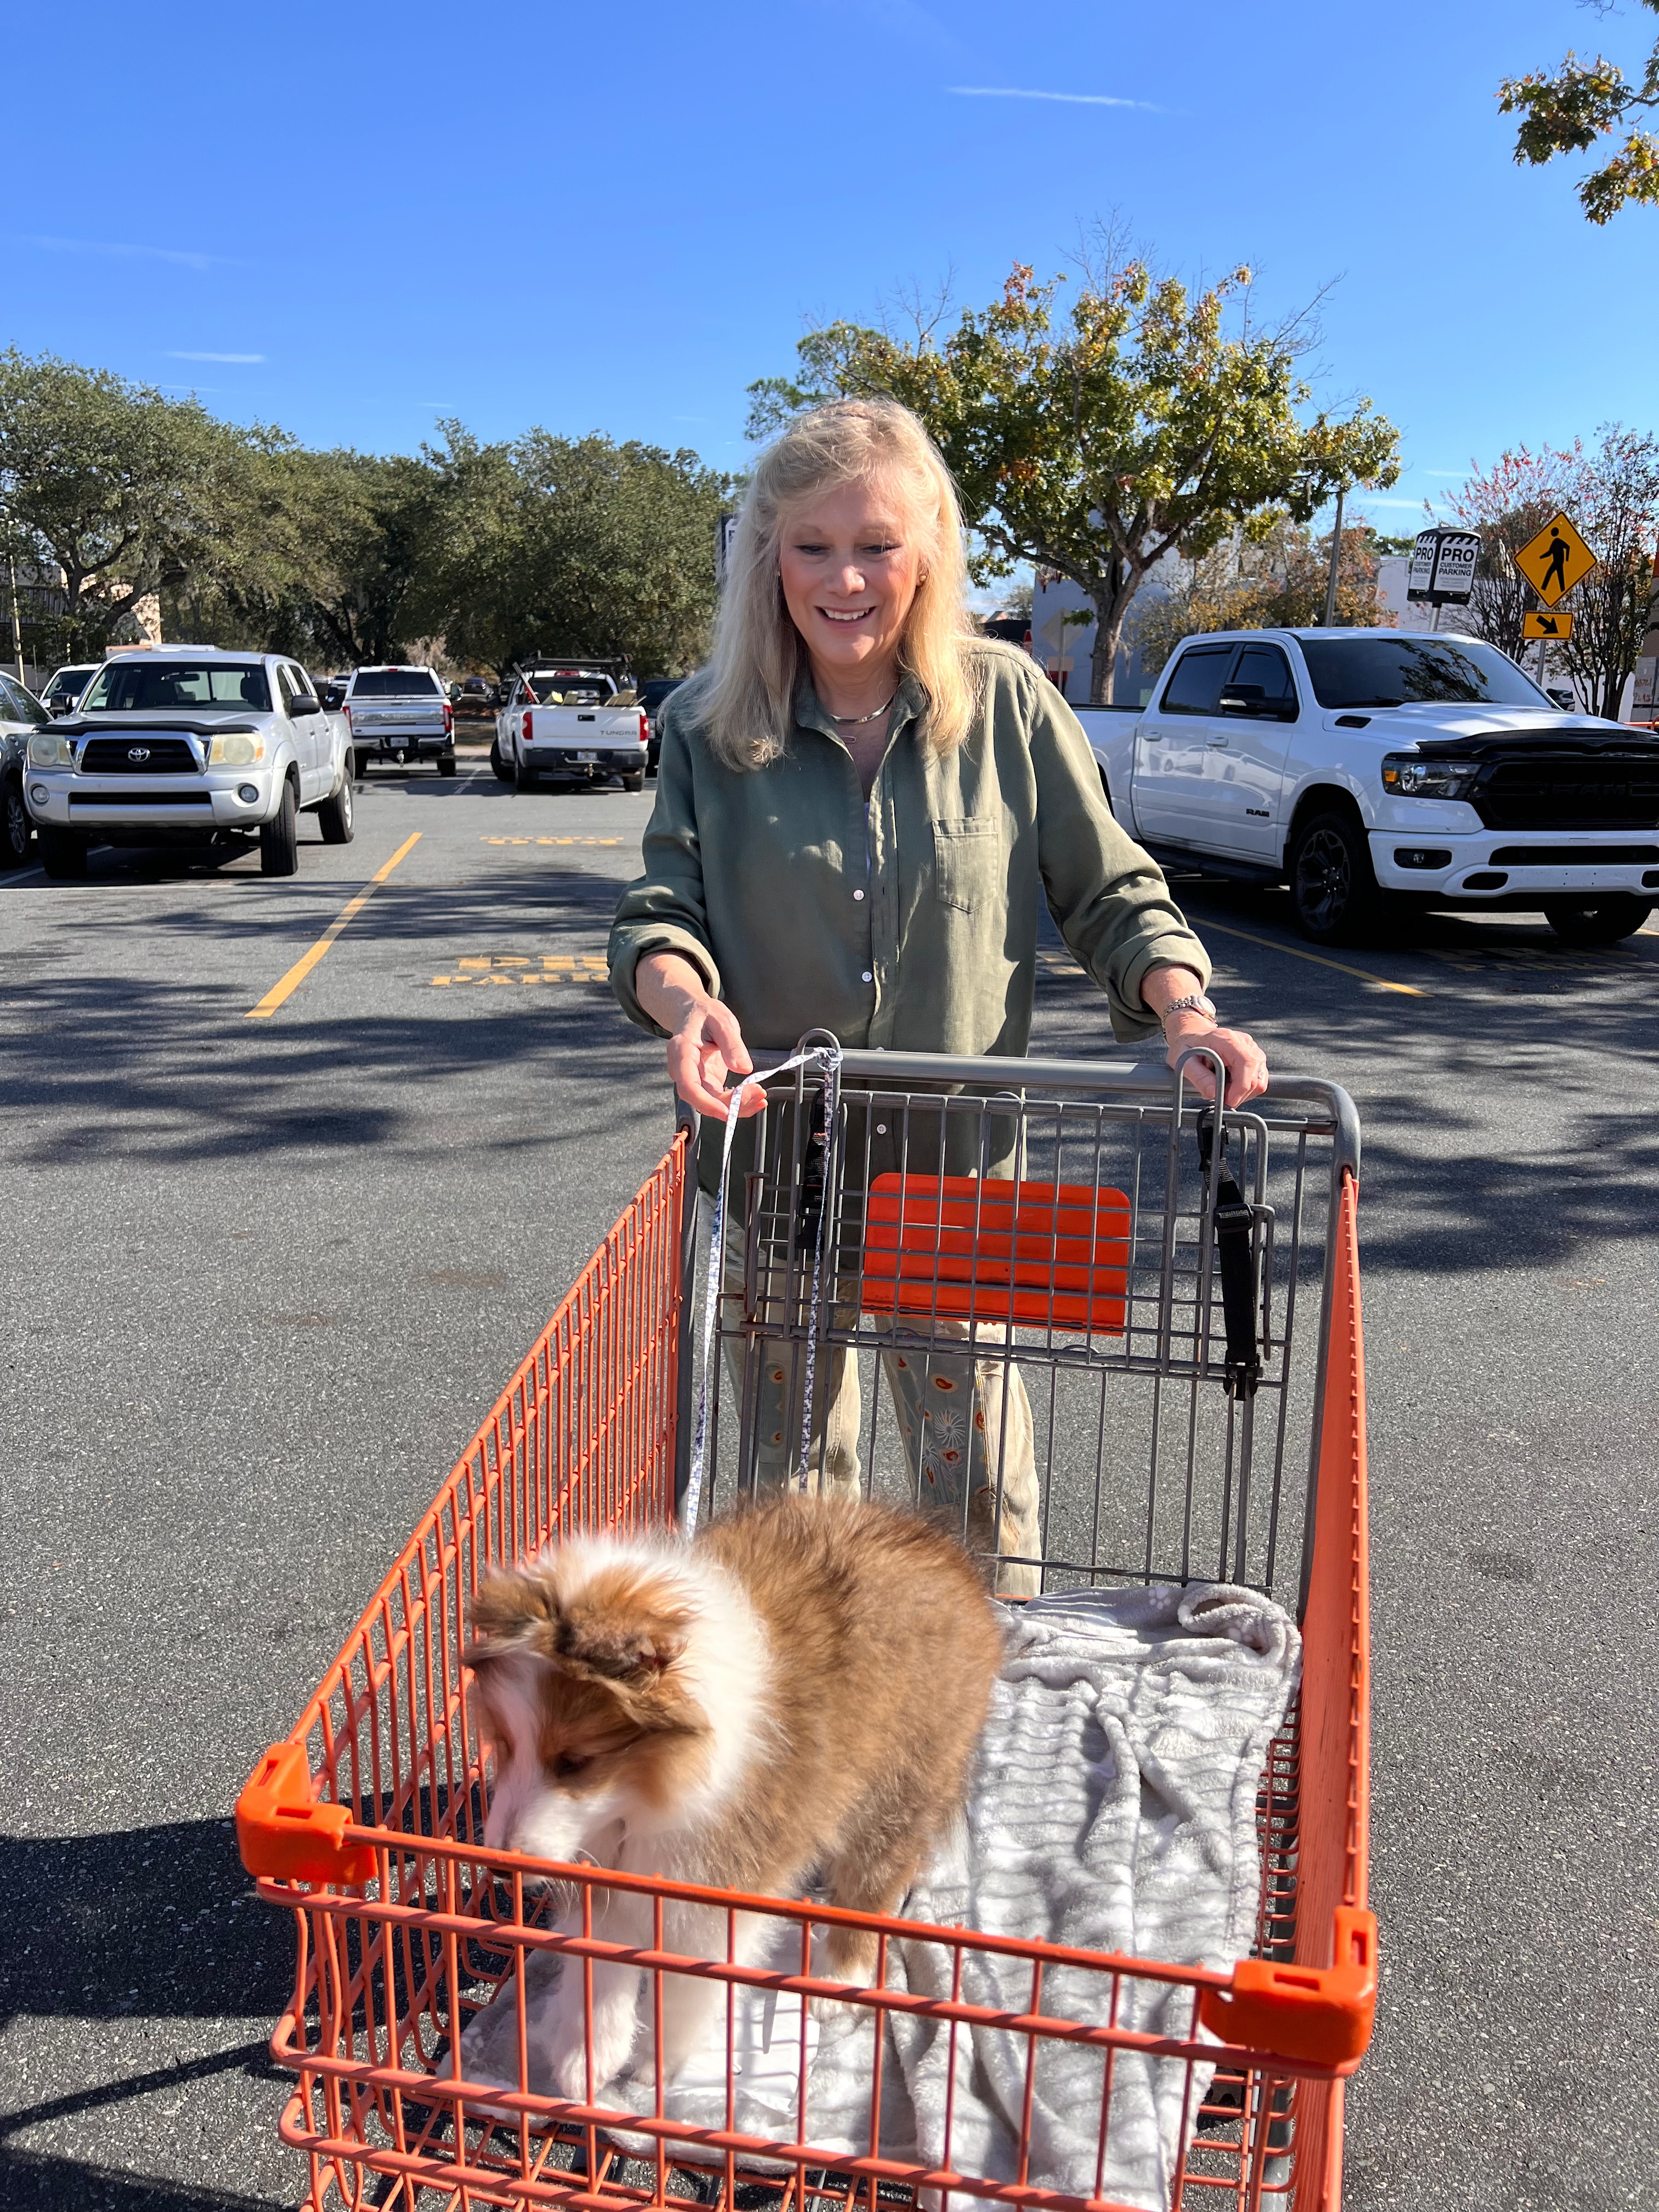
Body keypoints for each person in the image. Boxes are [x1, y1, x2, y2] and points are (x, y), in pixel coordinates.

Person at [608, 399, 1267, 1588]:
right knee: (788, 1492)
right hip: (772, 1177)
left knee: (980, 1485)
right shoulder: (706, 731)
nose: (845, 578)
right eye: (812, 546)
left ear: (930, 550)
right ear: (769, 555)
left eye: (877, 545)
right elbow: (665, 913)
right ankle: (816, 1735)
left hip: (957, 1177)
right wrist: (683, 1002)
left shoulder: (1006, 702)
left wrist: (1185, 1011)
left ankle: (984, 1705)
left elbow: (1112, 890)